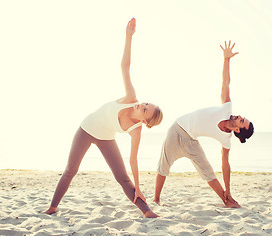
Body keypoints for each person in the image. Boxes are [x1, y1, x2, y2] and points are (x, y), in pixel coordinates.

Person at [44, 18, 163, 218]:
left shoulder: (137, 131)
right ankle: (53, 207)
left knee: (124, 179)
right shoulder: (131, 97)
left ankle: (148, 212)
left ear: (144, 121)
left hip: (106, 138)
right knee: (70, 170)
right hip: (86, 129)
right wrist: (128, 36)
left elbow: (133, 161)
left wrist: (139, 187)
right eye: (146, 104)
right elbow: (125, 66)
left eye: (144, 110)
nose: (141, 105)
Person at [153, 41, 253, 208]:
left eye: (241, 121)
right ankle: (155, 200)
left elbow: (225, 164)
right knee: (163, 166)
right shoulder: (226, 107)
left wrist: (228, 188)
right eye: (242, 117)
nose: (240, 116)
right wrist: (227, 60)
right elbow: (225, 83)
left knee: (208, 172)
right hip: (177, 130)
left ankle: (228, 200)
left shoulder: (226, 140)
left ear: (237, 129)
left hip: (191, 141)